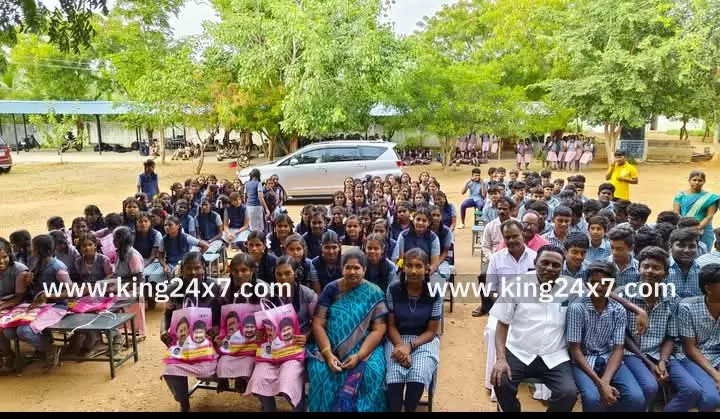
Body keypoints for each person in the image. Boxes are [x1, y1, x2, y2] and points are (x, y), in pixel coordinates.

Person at [490, 245, 579, 412]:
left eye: (555, 265)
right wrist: (501, 358)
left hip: (555, 354)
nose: (549, 268)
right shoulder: (516, 285)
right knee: (501, 381)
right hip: (519, 351)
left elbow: (600, 291)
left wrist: (630, 305)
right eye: (545, 263)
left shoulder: (571, 286)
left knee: (568, 393)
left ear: (562, 267)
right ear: (535, 262)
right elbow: (502, 324)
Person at [619, 246, 703, 412]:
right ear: (639, 269)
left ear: (665, 273)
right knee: (650, 386)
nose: (650, 271)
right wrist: (649, 363)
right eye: (646, 266)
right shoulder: (625, 294)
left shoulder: (672, 299)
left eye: (656, 268)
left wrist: (662, 361)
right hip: (632, 353)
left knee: (692, 390)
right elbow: (623, 337)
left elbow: (670, 337)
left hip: (661, 354)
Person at [307, 249, 388, 412]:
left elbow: (379, 329)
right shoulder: (331, 289)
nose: (352, 271)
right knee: (319, 371)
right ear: (342, 269)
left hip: (364, 348)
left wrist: (359, 356)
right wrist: (328, 354)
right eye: (348, 267)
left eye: (357, 268)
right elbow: (318, 323)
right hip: (330, 346)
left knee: (372, 372)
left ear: (364, 270)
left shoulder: (374, 292)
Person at [567, 260, 645, 412]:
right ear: (587, 284)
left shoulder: (618, 310)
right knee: (592, 399)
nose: (599, 287)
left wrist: (605, 381)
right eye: (594, 282)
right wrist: (600, 383)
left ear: (613, 286)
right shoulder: (577, 308)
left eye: (605, 283)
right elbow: (575, 350)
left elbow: (618, 348)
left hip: (608, 358)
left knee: (636, 397)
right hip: (583, 361)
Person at [246, 256, 317, 412]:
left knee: (288, 380)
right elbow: (262, 324)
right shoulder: (267, 296)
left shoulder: (308, 295)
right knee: (260, 378)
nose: (283, 278)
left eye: (287, 273)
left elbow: (317, 322)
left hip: (295, 347)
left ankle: (299, 409)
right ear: (274, 275)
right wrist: (259, 334)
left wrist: (306, 335)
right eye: (279, 274)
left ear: (296, 273)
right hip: (272, 349)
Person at [160, 252, 221, 412]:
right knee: (170, 369)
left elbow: (223, 314)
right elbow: (166, 315)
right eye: (188, 268)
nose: (193, 272)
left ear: (204, 268)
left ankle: (217, 378)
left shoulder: (214, 286)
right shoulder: (173, 288)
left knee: (209, 368)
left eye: (197, 268)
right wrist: (163, 331)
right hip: (183, 342)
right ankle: (183, 400)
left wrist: (217, 327)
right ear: (182, 270)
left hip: (208, 340)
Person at [385, 248, 442, 412]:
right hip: (397, 338)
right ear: (403, 268)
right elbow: (391, 325)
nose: (413, 271)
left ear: (427, 268)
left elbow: (432, 331)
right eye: (409, 266)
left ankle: (410, 408)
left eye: (418, 266)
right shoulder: (394, 289)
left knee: (417, 374)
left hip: (424, 340)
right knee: (394, 376)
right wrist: (401, 346)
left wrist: (409, 347)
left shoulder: (434, 292)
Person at [675, 263, 720, 412]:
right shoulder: (687, 307)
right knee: (711, 398)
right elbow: (690, 349)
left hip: (717, 356)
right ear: (708, 289)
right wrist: (716, 375)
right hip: (691, 357)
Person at [480, 220, 537, 317]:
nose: (511, 240)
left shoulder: (535, 258)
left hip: (529, 312)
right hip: (502, 311)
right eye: (507, 237)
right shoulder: (496, 258)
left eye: (515, 236)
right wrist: (503, 306)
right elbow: (490, 289)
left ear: (523, 235)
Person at [673, 170, 719, 250]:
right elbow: (676, 213)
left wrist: (698, 228)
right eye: (694, 180)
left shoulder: (710, 198)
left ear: (704, 181)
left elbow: (709, 216)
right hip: (683, 228)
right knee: (684, 250)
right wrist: (685, 228)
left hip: (704, 229)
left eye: (700, 180)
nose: (697, 182)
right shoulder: (680, 195)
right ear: (689, 180)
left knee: (703, 251)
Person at [665, 228, 702, 298]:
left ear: (698, 248)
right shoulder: (661, 269)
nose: (686, 250)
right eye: (681, 245)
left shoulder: (703, 270)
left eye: (692, 246)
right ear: (670, 246)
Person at [245, 169, 271, 233]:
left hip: (248, 207)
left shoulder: (247, 184)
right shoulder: (258, 183)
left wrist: (246, 205)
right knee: (259, 228)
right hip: (257, 207)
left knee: (251, 226)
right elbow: (260, 197)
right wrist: (266, 208)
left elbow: (245, 196)